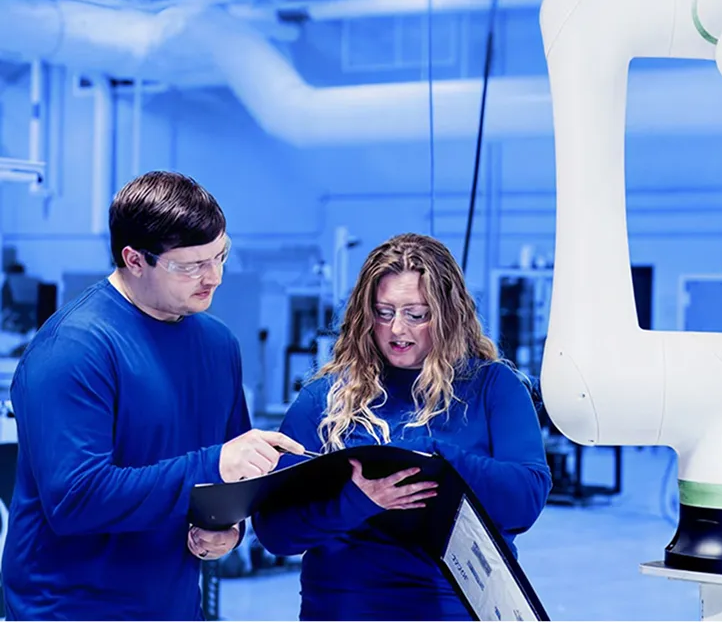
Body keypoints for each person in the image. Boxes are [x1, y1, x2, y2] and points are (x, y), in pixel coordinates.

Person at [2, 170, 303, 620]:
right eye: (190, 266)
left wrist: (227, 529)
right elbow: (75, 500)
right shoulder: (73, 348)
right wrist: (212, 464)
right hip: (68, 609)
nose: (214, 277)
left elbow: (231, 485)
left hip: (172, 607)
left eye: (220, 256)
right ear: (134, 259)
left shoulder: (218, 346)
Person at [253, 233, 552, 621]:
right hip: (345, 607)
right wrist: (357, 501)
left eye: (416, 315)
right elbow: (275, 531)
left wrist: (437, 462)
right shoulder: (325, 400)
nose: (397, 330)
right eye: (383, 312)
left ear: (447, 316)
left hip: (453, 607)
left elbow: (524, 502)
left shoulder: (494, 387)